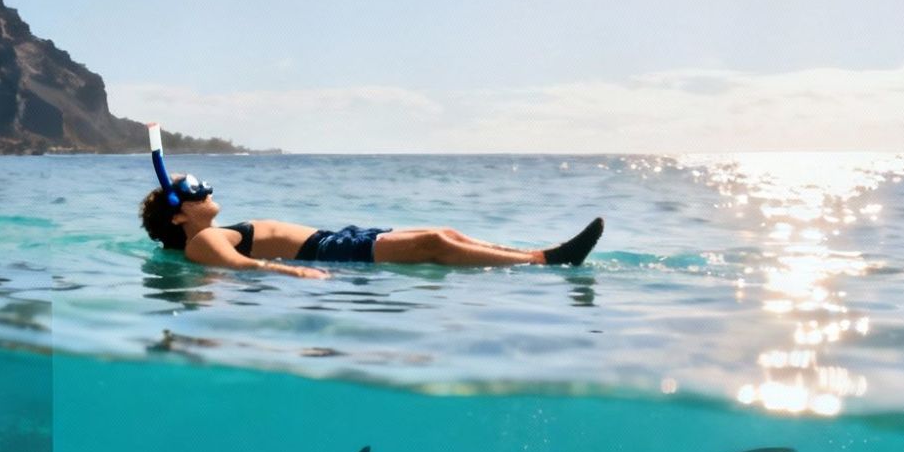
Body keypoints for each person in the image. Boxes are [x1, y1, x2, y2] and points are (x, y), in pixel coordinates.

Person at [137, 177, 602, 279]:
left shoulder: (200, 236)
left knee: (449, 235)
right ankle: (545, 261)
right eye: (193, 190)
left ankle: (538, 253)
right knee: (437, 243)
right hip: (327, 252)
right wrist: (294, 274)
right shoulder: (202, 239)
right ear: (180, 215)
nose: (205, 190)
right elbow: (239, 265)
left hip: (334, 239)